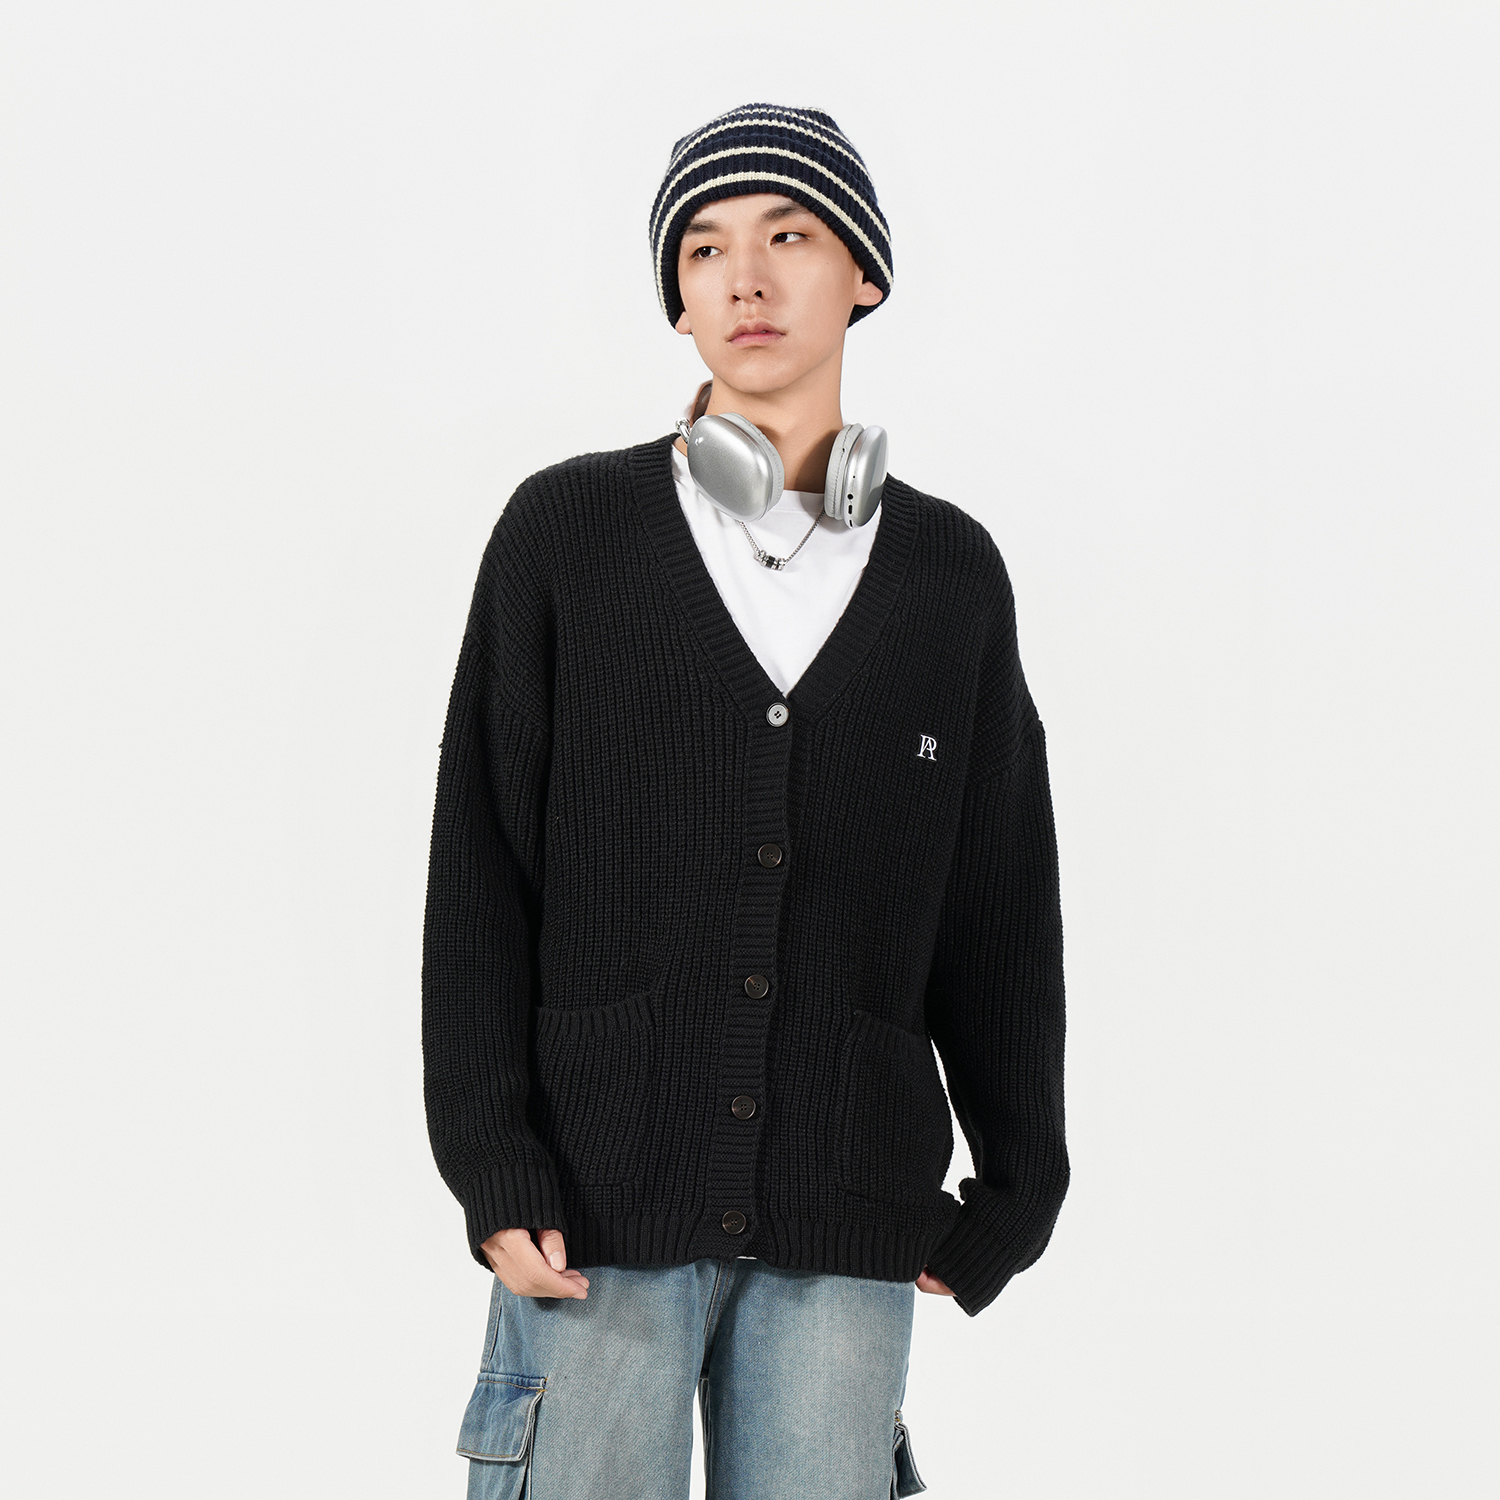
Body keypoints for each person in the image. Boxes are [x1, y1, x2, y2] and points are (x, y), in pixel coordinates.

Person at [421, 102, 1069, 1500]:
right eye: (705, 250)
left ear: (864, 275)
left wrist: (1019, 1190)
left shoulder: (949, 576)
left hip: (848, 1218)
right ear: (678, 298)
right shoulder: (566, 537)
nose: (747, 280)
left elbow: (999, 899)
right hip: (591, 1214)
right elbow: (480, 869)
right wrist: (492, 1161)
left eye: (791, 236)